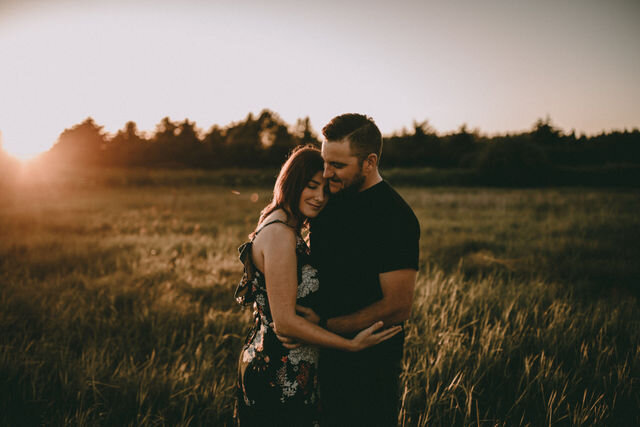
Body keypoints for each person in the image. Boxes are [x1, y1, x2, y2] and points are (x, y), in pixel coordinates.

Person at [234, 145, 402, 427]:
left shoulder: (287, 226)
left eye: (325, 189)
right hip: (277, 369)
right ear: (292, 182)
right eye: (311, 186)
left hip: (292, 368)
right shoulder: (279, 235)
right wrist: (350, 345)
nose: (320, 197)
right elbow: (285, 323)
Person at [308, 114, 420, 426]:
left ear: (369, 162)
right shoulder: (327, 200)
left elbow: (398, 306)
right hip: (314, 356)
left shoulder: (395, 217)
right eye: (325, 161)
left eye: (338, 165)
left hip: (369, 368)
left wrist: (327, 326)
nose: (327, 173)